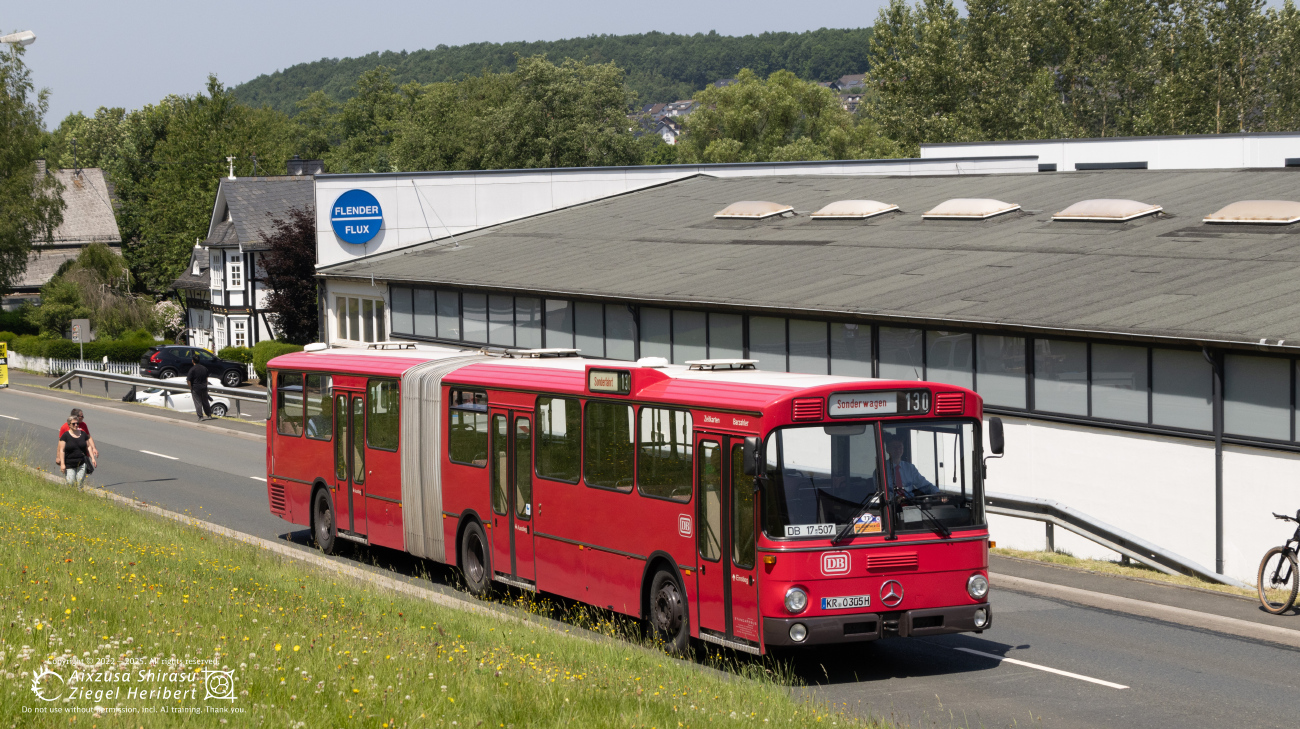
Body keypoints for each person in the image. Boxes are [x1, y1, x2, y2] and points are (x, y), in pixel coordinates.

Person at [884, 435, 940, 500]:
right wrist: (895, 498)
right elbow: (881, 494)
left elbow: (925, 485)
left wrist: (936, 493)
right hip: (891, 507)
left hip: (910, 505)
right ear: (887, 449)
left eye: (900, 446)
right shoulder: (881, 470)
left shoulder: (910, 468)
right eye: (894, 447)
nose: (898, 449)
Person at [57, 415, 96, 487]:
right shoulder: (65, 436)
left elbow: (88, 446)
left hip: (82, 463)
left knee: (80, 483)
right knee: (70, 482)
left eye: (77, 423)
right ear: (69, 425)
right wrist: (62, 464)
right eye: (73, 424)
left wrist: (92, 458)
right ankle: (70, 495)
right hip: (69, 463)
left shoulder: (83, 434)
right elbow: (62, 450)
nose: (76, 425)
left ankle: (79, 495)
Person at [187, 354, 212, 420]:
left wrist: (190, 388)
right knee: (205, 401)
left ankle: (200, 416)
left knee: (198, 402)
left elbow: (188, 380)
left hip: (196, 387)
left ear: (193, 361)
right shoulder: (204, 368)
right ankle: (209, 414)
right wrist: (205, 386)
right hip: (204, 387)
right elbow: (207, 379)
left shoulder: (192, 369)